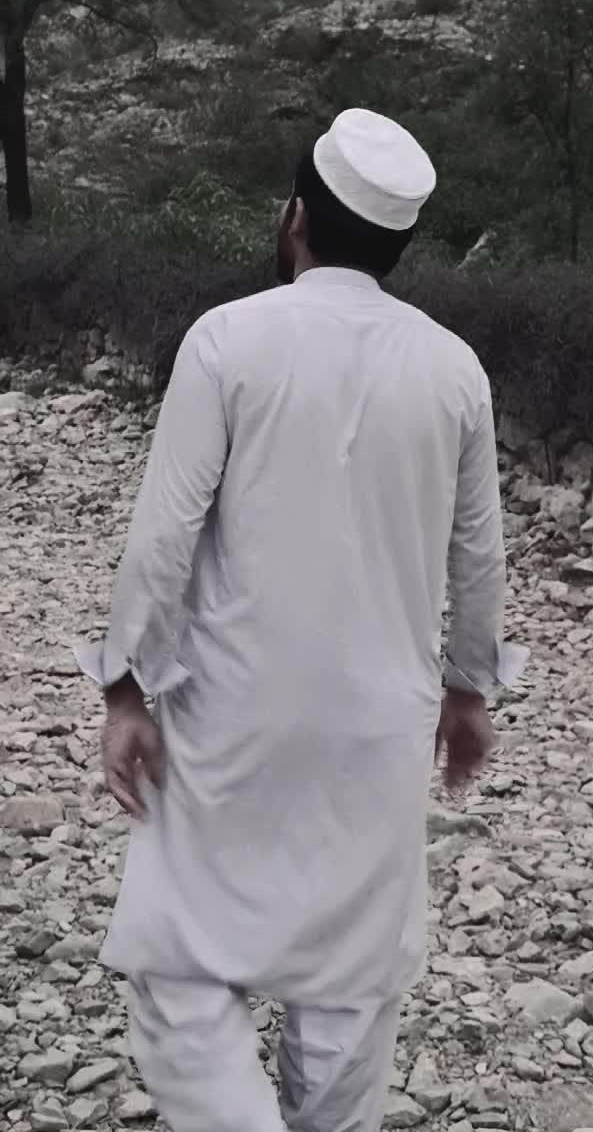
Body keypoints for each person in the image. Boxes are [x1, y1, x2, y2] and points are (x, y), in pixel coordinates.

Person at [74, 108, 527, 1132]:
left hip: (232, 716)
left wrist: (125, 688)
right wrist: (469, 691)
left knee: (183, 967)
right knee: (349, 990)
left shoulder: (227, 340)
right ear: (400, 246)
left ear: (294, 219)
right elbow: (480, 555)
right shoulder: (454, 368)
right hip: (380, 728)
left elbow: (164, 536)